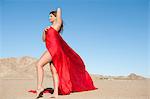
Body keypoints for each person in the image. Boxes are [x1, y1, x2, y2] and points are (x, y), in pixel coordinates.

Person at [35, 8, 97, 98]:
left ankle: (39, 87)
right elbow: (43, 40)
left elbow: (59, 11)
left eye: (51, 16)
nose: (49, 18)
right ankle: (55, 92)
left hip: (54, 49)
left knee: (38, 65)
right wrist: (44, 31)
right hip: (54, 50)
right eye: (49, 16)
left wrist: (57, 11)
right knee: (54, 72)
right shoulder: (49, 28)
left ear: (56, 17)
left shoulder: (57, 24)